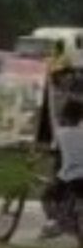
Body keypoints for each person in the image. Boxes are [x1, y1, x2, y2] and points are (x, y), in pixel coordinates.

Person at [41, 100, 83, 238]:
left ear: (65, 116)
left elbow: (54, 156)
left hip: (69, 176)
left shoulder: (60, 134)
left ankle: (55, 223)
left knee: (46, 196)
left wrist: (50, 175)